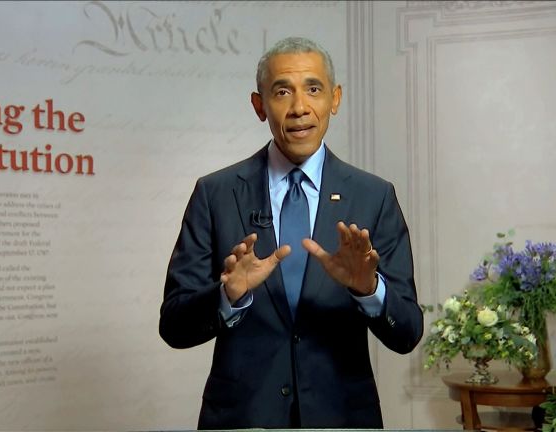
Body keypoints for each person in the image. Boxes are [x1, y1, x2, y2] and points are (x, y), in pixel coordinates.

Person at [159, 36, 424, 429]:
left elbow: (407, 334)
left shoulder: (374, 196)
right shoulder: (215, 194)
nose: (300, 108)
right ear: (259, 105)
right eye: (283, 91)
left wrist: (369, 290)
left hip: (344, 418)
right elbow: (174, 326)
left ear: (334, 99)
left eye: (313, 89)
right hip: (242, 418)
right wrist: (228, 296)